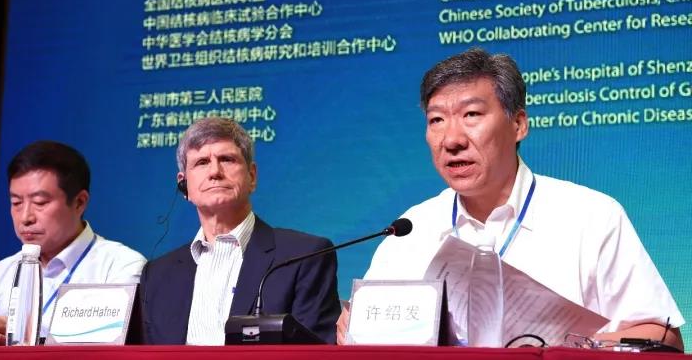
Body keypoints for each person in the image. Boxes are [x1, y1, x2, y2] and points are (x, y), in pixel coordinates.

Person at [338, 48, 684, 350]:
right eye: (437, 120)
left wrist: (562, 350)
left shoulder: (591, 216)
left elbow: (662, 337)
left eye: (471, 115)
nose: (452, 139)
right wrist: (354, 328)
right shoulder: (411, 229)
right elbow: (360, 335)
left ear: (518, 124)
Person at [139, 117, 340, 345]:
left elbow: (314, 355)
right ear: (183, 185)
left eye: (227, 159)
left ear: (252, 176)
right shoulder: (156, 276)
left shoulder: (305, 257)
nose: (215, 171)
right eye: (202, 162)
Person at [0, 141, 146, 345]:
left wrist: (24, 337)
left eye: (40, 203)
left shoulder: (121, 267)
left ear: (79, 202)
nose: (25, 217)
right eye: (16, 203)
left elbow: (110, 347)